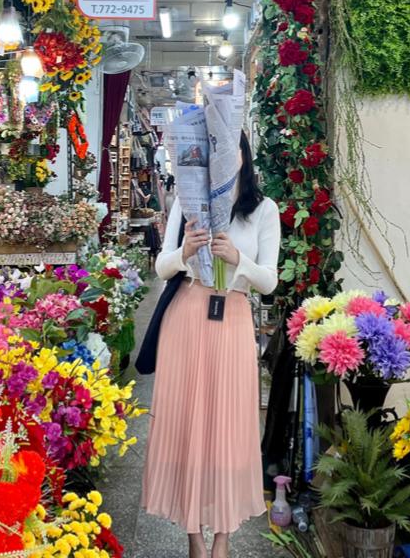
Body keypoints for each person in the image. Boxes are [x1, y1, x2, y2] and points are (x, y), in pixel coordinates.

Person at [141, 131, 281, 558]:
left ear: (242, 156)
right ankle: (193, 536)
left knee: (228, 421)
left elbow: (270, 281)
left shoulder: (263, 209)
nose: (221, 159)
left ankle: (223, 536)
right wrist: (184, 251)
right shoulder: (187, 201)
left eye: (229, 150)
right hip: (186, 316)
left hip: (232, 317)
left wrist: (240, 260)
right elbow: (163, 268)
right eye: (212, 152)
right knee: (186, 420)